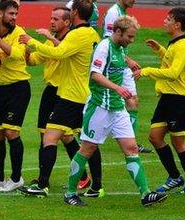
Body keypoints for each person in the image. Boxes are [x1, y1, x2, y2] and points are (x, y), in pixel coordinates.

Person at [63, 16, 168, 206]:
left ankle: (145, 194)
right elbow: (95, 75)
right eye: (130, 36)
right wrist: (117, 88)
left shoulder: (121, 48)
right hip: (99, 107)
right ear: (118, 32)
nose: (131, 40)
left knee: (131, 148)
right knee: (87, 149)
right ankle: (70, 193)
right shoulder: (104, 47)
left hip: (117, 108)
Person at [19, 0, 101, 197]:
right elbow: (59, 52)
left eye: (68, 12)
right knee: (87, 141)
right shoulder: (91, 34)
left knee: (51, 137)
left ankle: (43, 185)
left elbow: (60, 52)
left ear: (74, 14)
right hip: (77, 93)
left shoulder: (78, 34)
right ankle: (96, 186)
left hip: (71, 95)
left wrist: (31, 41)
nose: (53, 21)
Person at [135, 7, 185, 194]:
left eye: (168, 19)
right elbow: (170, 61)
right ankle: (174, 177)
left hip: (180, 99)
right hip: (168, 98)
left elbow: (173, 73)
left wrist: (147, 71)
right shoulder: (174, 44)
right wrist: (160, 50)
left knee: (178, 142)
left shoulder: (182, 46)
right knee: (155, 137)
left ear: (177, 24)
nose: (164, 21)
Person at [0, 0, 31, 192]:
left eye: (16, 14)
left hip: (18, 88)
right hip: (0, 89)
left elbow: (16, 54)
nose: (14, 18)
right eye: (11, 14)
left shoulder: (19, 33)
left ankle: (17, 178)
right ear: (0, 13)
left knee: (11, 132)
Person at [101, 0, 152, 154]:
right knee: (113, 101)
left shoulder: (121, 12)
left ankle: (131, 142)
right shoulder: (114, 13)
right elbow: (110, 42)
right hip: (117, 65)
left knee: (132, 101)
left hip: (121, 63)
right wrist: (127, 60)